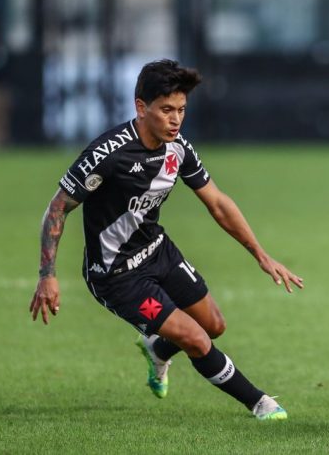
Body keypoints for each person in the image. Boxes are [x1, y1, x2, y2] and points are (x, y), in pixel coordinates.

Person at [29, 59, 303, 420]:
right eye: (166, 110)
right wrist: (47, 275)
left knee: (214, 325)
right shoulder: (107, 154)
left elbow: (218, 203)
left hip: (158, 251)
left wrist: (261, 255)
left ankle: (157, 350)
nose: (176, 120)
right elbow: (57, 208)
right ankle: (259, 403)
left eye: (181, 110)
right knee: (195, 339)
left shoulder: (178, 148)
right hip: (116, 276)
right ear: (141, 108)